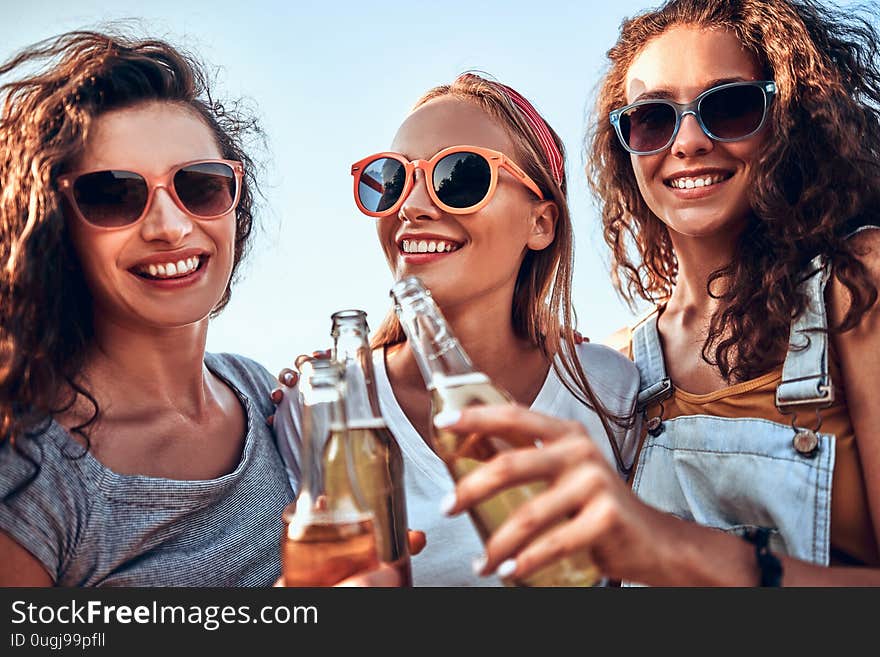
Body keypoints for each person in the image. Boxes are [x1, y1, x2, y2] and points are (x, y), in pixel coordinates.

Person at [437, 0, 880, 586]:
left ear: (791, 120)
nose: (689, 140)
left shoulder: (858, 284)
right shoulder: (620, 370)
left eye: (730, 107)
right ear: (627, 147)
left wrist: (681, 551)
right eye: (653, 119)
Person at [274, 72, 642, 586]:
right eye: (392, 179)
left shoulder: (611, 394)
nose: (411, 207)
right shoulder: (319, 408)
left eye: (460, 177)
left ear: (541, 223)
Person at [0, 29, 303, 587]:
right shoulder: (29, 476)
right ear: (53, 225)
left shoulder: (264, 395)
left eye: (199, 185)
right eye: (114, 194)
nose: (171, 226)